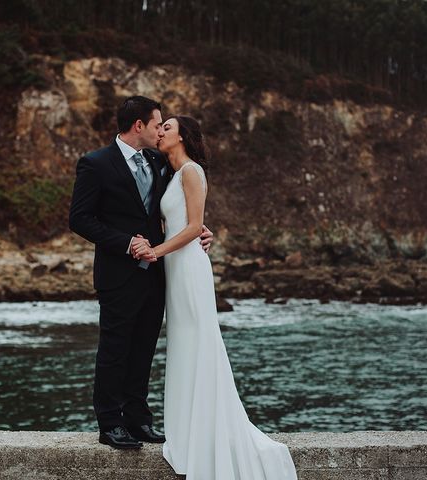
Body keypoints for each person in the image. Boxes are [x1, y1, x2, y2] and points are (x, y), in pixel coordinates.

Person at [133, 116, 298, 479]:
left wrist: (156, 252)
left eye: (167, 128)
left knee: (200, 342)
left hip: (188, 269)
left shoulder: (192, 171)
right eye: (159, 127)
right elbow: (187, 223)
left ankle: (208, 434)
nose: (160, 132)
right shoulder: (171, 171)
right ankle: (189, 429)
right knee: (184, 344)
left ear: (184, 137)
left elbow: (194, 227)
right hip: (175, 270)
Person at [68, 96, 213, 450]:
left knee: (144, 347)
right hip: (118, 273)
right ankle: (110, 424)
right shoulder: (95, 164)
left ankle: (138, 419)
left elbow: (180, 204)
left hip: (157, 274)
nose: (160, 129)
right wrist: (124, 242)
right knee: (115, 348)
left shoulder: (157, 161)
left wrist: (202, 228)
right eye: (156, 124)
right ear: (139, 126)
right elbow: (80, 219)